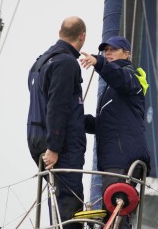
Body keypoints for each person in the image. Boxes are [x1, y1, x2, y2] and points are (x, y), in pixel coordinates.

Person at [81, 35, 151, 228]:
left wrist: (99, 62)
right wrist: (76, 118)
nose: (108, 53)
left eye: (113, 49)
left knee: (116, 215)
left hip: (122, 158)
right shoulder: (113, 88)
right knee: (114, 217)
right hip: (115, 159)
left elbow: (120, 78)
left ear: (127, 54)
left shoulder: (131, 75)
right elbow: (104, 124)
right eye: (106, 50)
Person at [27, 16, 87, 229]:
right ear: (82, 36)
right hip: (60, 146)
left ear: (60, 33)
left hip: (36, 138)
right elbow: (57, 107)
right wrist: (54, 147)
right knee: (69, 205)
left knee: (59, 201)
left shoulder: (40, 61)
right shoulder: (66, 62)